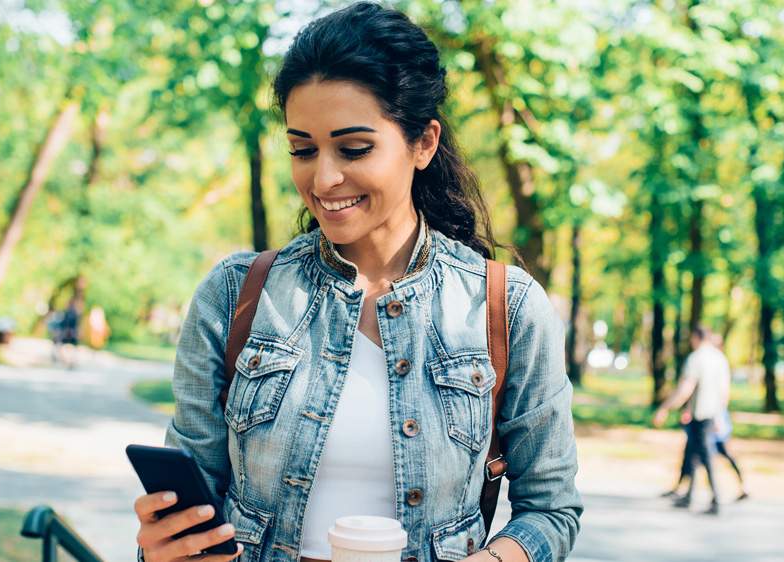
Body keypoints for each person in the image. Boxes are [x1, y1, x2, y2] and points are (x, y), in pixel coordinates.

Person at [133, 5, 582, 562]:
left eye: (354, 149)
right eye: (302, 150)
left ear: (423, 143)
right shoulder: (234, 296)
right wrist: (165, 548)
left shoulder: (506, 308)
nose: (322, 178)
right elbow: (191, 506)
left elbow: (552, 509)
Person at [652, 325, 732, 515]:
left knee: (704, 456)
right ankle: (689, 495)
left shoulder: (696, 358)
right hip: (711, 414)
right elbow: (724, 392)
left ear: (696, 337)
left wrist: (664, 408)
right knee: (694, 453)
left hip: (700, 416)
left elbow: (685, 389)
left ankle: (716, 500)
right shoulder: (720, 358)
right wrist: (720, 413)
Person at [659, 408, 749, 503]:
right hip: (709, 418)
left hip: (711, 419)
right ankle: (684, 490)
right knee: (693, 456)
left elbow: (721, 400)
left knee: (702, 456)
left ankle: (733, 490)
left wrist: (717, 418)